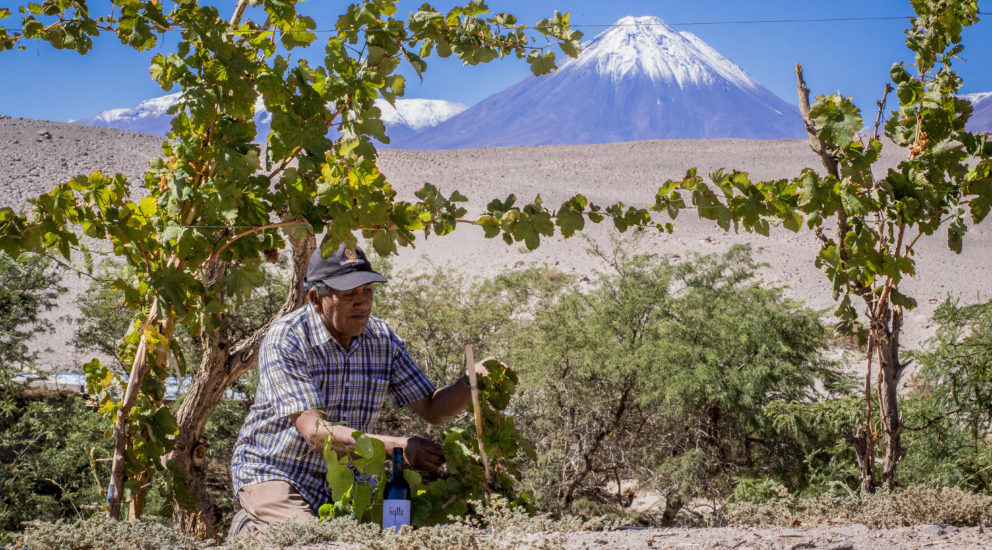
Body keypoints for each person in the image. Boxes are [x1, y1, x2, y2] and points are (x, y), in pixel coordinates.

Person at [229, 243, 486, 537]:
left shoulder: (381, 339)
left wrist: (470, 382)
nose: (362, 303)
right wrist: (400, 449)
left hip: (350, 482)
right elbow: (316, 434)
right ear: (316, 299)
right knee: (311, 540)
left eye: (367, 291)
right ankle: (248, 530)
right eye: (350, 294)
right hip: (278, 472)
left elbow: (433, 409)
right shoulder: (287, 339)